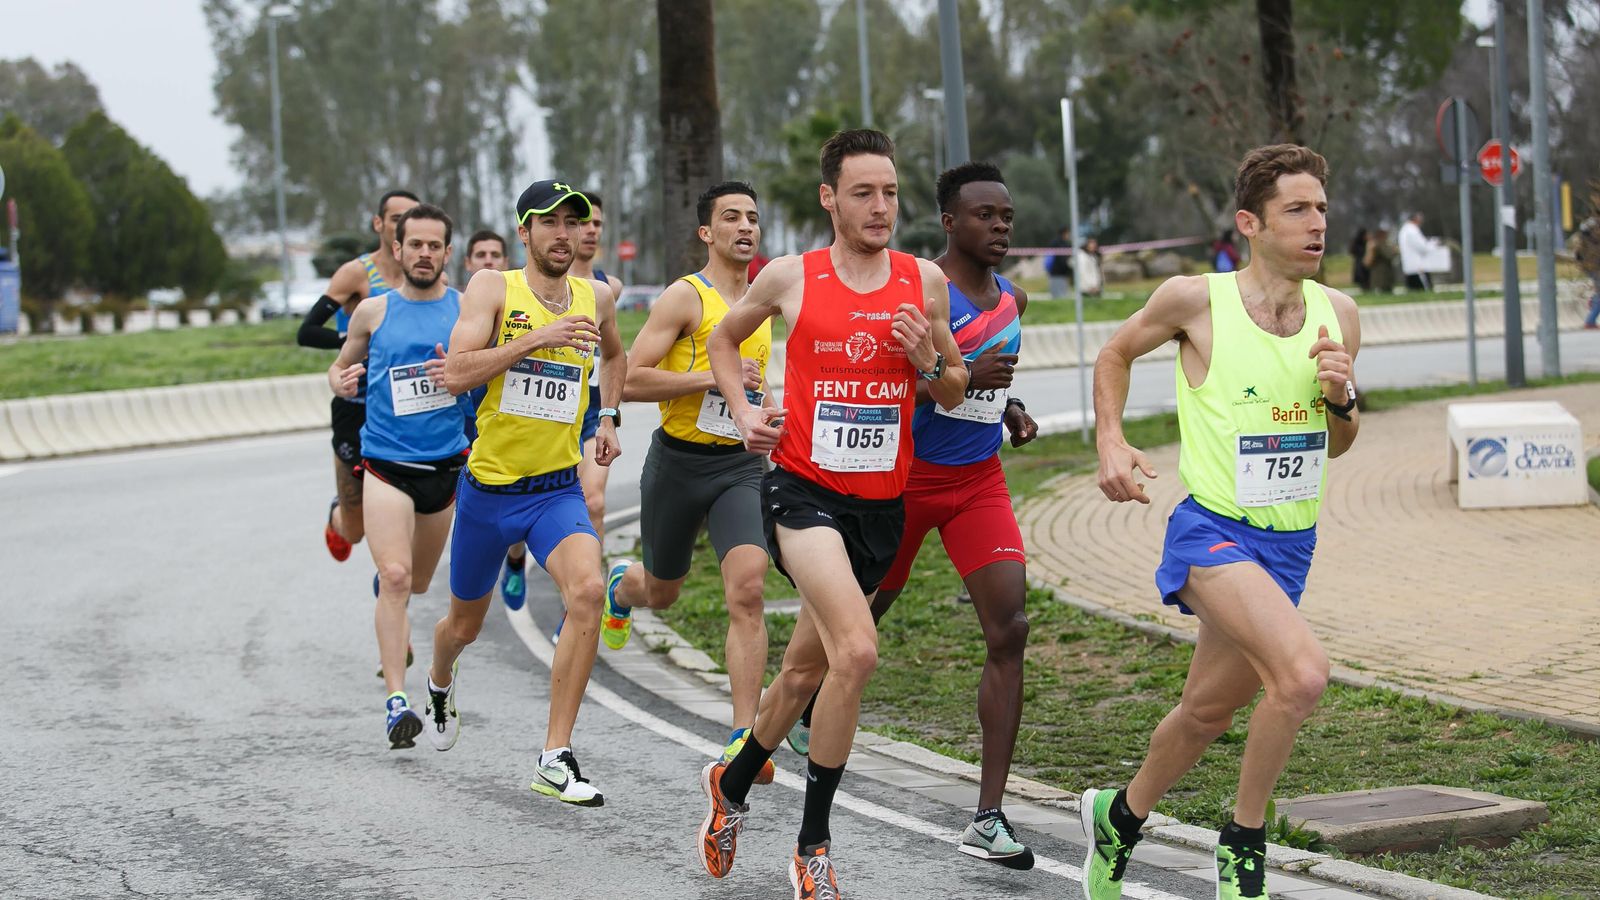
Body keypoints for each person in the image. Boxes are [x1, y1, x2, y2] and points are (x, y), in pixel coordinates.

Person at [694, 129, 968, 899]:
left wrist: (926, 359)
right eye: (862, 193)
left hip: (881, 507)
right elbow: (722, 337)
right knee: (857, 652)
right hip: (803, 492)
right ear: (829, 198)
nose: (881, 207)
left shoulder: (924, 283)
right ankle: (813, 845)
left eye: (889, 192)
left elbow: (953, 389)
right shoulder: (790, 278)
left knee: (802, 671)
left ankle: (732, 782)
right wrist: (745, 410)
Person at [1083, 143, 1360, 900]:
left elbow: (1339, 441)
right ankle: (1243, 843)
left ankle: (1119, 815)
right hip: (1211, 532)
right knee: (1301, 677)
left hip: (1289, 545)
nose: (1317, 225)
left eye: (1323, 209)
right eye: (1297, 210)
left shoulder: (1339, 315)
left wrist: (1341, 399)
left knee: (1203, 713)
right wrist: (1110, 437)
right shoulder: (1194, 300)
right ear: (1251, 222)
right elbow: (1114, 353)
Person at [427, 180, 626, 805]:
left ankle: (555, 754)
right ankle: (437, 679)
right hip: (488, 494)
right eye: (550, 223)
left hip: (556, 492)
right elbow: (455, 373)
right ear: (525, 232)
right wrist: (534, 340)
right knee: (464, 627)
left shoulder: (597, 297)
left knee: (589, 591)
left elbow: (615, 357)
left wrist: (610, 416)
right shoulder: (494, 288)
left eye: (575, 222)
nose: (564, 233)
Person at [871, 160, 1040, 868]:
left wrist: (1012, 409)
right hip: (907, 480)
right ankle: (805, 697)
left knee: (1011, 629)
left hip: (977, 483)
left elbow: (987, 388)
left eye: (1005, 216)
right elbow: (889, 393)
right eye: (983, 216)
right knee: (861, 617)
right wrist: (963, 366)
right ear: (949, 222)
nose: (999, 226)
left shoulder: (1015, 300)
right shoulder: (913, 296)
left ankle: (988, 816)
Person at [599, 180, 777, 784]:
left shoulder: (767, 299)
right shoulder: (686, 298)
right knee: (665, 591)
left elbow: (759, 383)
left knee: (748, 589)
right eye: (731, 218)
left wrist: (766, 407)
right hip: (678, 461)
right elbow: (631, 378)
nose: (745, 227)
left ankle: (743, 740)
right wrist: (710, 376)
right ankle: (624, 588)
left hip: (739, 466)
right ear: (707, 232)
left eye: (752, 217)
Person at [326, 204, 468, 748]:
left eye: (435, 246)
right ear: (398, 249)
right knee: (398, 578)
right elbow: (340, 368)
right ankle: (395, 702)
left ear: (446, 254)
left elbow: (485, 379)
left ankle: (392, 588)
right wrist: (340, 383)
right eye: (416, 245)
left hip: (445, 468)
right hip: (385, 466)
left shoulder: (464, 312)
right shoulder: (373, 312)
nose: (425, 254)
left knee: (421, 583)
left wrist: (458, 379)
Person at [505, 193, 626, 622]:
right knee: (523, 502)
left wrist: (610, 414)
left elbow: (614, 355)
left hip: (588, 410)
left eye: (591, 224)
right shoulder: (521, 286)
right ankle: (515, 556)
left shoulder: (607, 289)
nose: (587, 231)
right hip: (532, 414)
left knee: (591, 502)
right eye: (581, 222)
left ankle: (574, 607)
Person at [298, 189, 420, 563]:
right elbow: (307, 331)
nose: (403, 225)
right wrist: (356, 338)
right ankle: (338, 516)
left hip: (405, 407)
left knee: (410, 507)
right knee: (355, 529)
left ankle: (391, 575)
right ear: (379, 224)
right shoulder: (357, 273)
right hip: (357, 403)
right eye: (396, 218)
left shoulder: (424, 275)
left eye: (410, 217)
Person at [1569, 207, 1599, 329]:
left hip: (1591, 266)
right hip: (1594, 267)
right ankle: (1590, 321)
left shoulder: (1588, 229)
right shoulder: (1591, 232)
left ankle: (1594, 300)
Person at [1398, 212, 1432, 292]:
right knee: (1420, 287)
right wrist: (1431, 246)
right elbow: (1422, 246)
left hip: (1410, 263)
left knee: (1412, 285)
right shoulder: (1412, 230)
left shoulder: (1405, 229)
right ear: (1415, 219)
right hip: (1417, 264)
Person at [1364, 227, 1396, 293]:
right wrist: (1395, 251)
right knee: (1382, 289)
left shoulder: (1375, 243)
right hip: (1381, 272)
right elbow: (1388, 255)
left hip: (1378, 271)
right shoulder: (1380, 244)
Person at [1047, 225, 1074, 299]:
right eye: (1068, 233)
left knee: (1060, 295)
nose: (1069, 235)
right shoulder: (1058, 244)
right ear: (1064, 233)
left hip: (1060, 274)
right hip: (1057, 273)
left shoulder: (1063, 243)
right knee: (1059, 295)